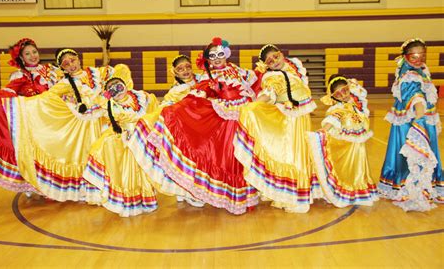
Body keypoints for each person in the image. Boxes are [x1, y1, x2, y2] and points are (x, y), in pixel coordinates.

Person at [139, 37, 259, 215]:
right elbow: (199, 94)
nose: (217, 58)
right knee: (230, 157)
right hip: (226, 121)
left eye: (220, 54)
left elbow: (253, 81)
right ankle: (233, 198)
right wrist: (173, 110)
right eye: (212, 56)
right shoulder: (210, 77)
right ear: (208, 59)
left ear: (226, 54)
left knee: (243, 155)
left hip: (243, 116)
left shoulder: (236, 70)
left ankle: (246, 196)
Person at [3, 48, 114, 201]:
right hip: (83, 124)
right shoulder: (64, 82)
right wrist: (21, 106)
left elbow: (116, 78)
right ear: (63, 68)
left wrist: (107, 96)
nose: (71, 65)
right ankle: (91, 189)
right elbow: (47, 97)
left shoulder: (95, 72)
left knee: (109, 152)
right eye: (66, 64)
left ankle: (112, 187)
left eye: (73, 60)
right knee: (88, 154)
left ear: (78, 58)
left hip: (104, 119)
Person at [233, 44, 320, 213]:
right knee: (293, 154)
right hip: (288, 118)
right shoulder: (270, 77)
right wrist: (254, 105)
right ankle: (291, 195)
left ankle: (299, 193)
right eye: (269, 61)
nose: (274, 61)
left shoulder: (295, 65)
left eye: (275, 56)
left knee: (301, 153)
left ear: (281, 54)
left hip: (302, 115)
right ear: (267, 65)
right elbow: (269, 93)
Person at [0, 38, 61, 193]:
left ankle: (54, 184)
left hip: (49, 119)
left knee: (53, 153)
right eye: (27, 54)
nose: (33, 56)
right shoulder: (18, 76)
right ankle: (33, 184)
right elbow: (8, 95)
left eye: (34, 52)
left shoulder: (51, 71)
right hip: (30, 122)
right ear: (21, 58)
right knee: (31, 154)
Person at [83, 64, 160, 217]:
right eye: (111, 88)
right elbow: (90, 110)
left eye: (118, 85)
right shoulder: (110, 105)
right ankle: (129, 202)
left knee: (143, 170)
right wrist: (103, 98)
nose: (116, 89)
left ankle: (145, 199)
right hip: (124, 142)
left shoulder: (141, 96)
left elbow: (155, 111)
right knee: (128, 173)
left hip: (142, 139)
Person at [128, 54, 205, 207]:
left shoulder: (202, 81)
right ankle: (187, 192)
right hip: (185, 129)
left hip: (202, 126)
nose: (185, 71)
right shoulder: (175, 91)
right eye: (180, 69)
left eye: (188, 67)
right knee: (186, 159)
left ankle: (190, 191)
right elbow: (166, 107)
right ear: (175, 72)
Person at [378, 38, 443, 211]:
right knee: (413, 150)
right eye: (414, 55)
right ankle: (410, 184)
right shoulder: (410, 74)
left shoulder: (418, 70)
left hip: (420, 116)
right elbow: (414, 95)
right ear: (406, 56)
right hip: (413, 118)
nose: (419, 59)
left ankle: (425, 183)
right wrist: (419, 119)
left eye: (422, 55)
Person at [307, 74, 378, 208]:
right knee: (347, 168)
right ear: (333, 97)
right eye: (338, 94)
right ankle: (347, 190)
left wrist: (353, 84)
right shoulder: (338, 109)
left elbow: (361, 96)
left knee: (359, 166)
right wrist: (320, 133)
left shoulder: (355, 103)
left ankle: (359, 189)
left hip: (358, 143)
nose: (343, 95)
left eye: (345, 90)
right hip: (346, 146)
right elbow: (331, 121)